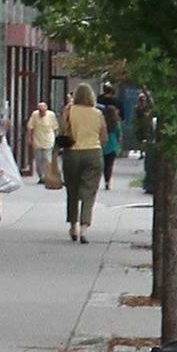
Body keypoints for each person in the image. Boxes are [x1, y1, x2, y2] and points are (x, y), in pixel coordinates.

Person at [59, 82, 106, 241]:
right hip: (93, 152)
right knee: (89, 191)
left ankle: (73, 226)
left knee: (72, 190)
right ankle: (84, 228)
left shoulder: (69, 111)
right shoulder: (98, 114)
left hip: (72, 153)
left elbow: (62, 131)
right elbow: (104, 137)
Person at [26, 99, 59, 183]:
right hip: (37, 141)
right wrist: (29, 138)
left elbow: (55, 128)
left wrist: (56, 139)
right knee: (38, 160)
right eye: (40, 111)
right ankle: (41, 177)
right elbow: (30, 127)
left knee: (47, 159)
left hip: (48, 140)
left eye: (43, 111)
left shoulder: (51, 115)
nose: (41, 113)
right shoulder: (35, 115)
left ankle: (47, 176)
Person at [101, 100, 122, 189]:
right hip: (113, 145)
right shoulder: (116, 122)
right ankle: (107, 182)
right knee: (109, 165)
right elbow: (119, 134)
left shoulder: (103, 122)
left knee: (104, 164)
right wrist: (119, 145)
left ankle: (104, 178)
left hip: (104, 145)